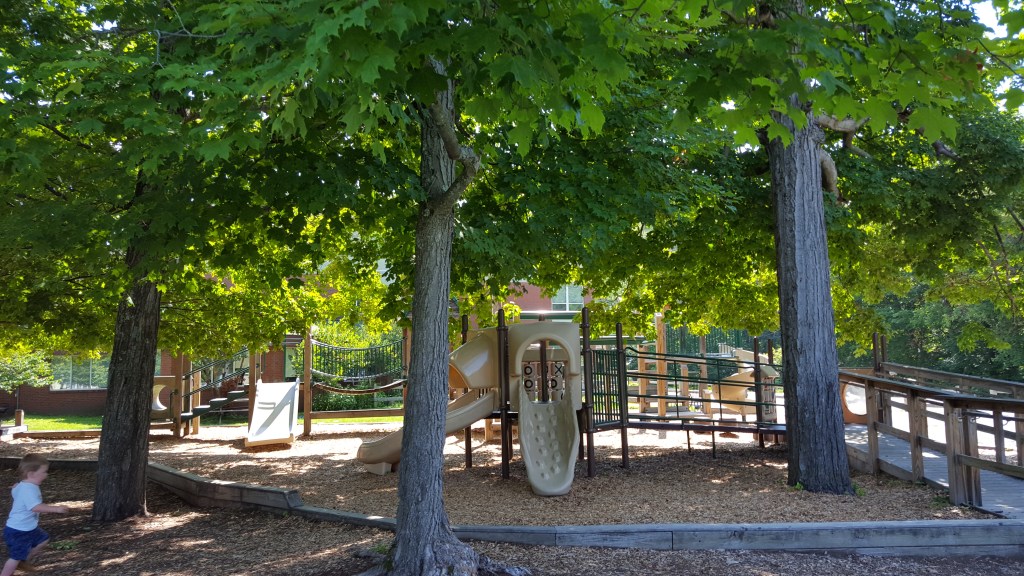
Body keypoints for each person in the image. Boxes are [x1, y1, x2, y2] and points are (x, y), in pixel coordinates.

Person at [1, 454, 68, 576]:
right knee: (14, 557)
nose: (46, 475)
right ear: (31, 474)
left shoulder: (22, 485)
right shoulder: (28, 489)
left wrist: (15, 489)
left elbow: (15, 491)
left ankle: (23, 559)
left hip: (27, 528)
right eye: (44, 472)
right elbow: (36, 507)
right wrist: (56, 509)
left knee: (43, 539)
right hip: (18, 530)